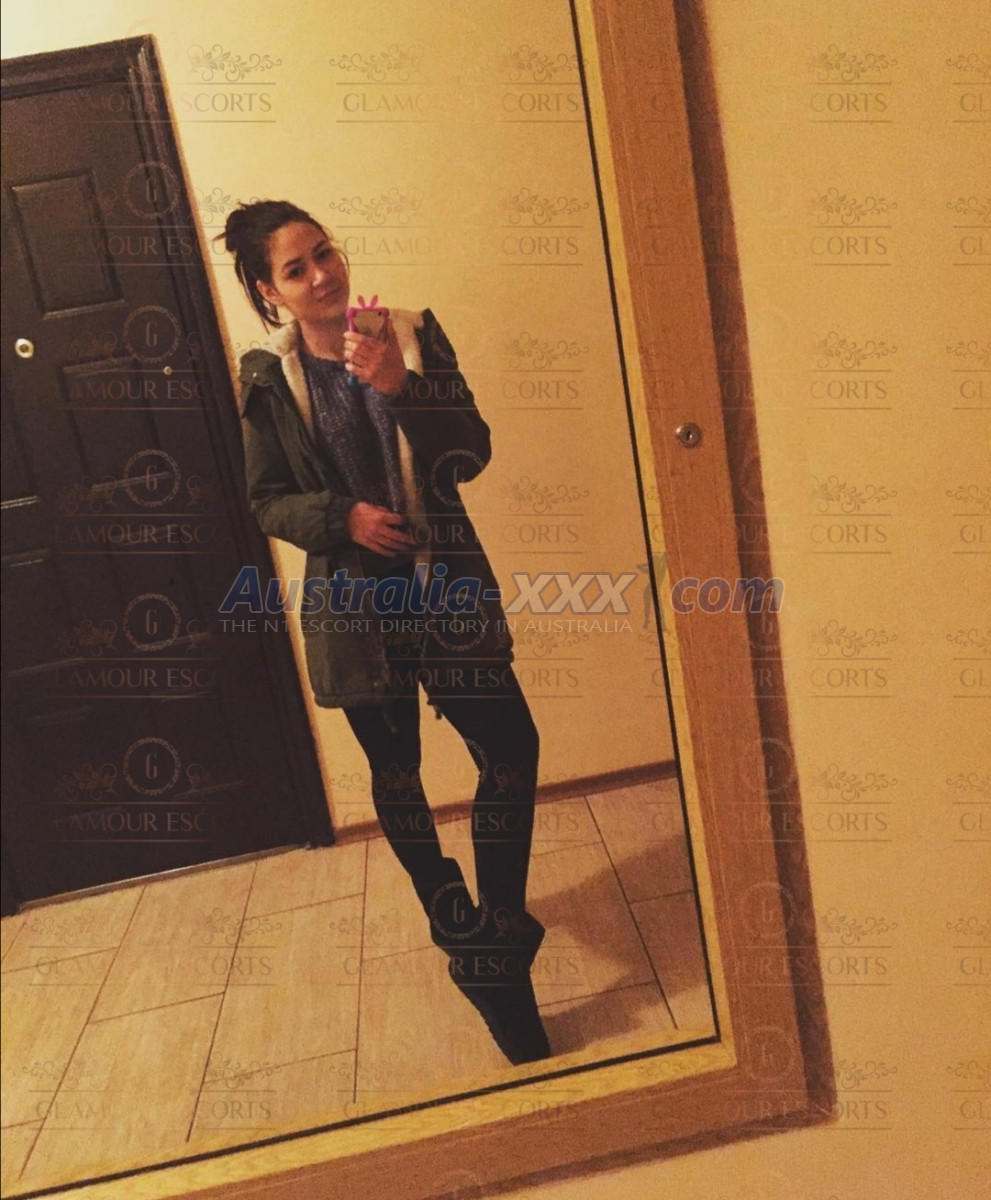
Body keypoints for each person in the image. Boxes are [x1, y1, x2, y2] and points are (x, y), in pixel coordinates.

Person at [219, 200, 550, 1065]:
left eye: (324, 252)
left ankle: (496, 938)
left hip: (445, 586)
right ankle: (453, 919)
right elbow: (267, 501)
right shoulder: (267, 379)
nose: (321, 275)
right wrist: (345, 518)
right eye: (295, 269)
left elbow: (470, 452)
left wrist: (405, 390)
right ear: (270, 292)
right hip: (356, 606)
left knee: (510, 748)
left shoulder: (409, 335)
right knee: (397, 773)